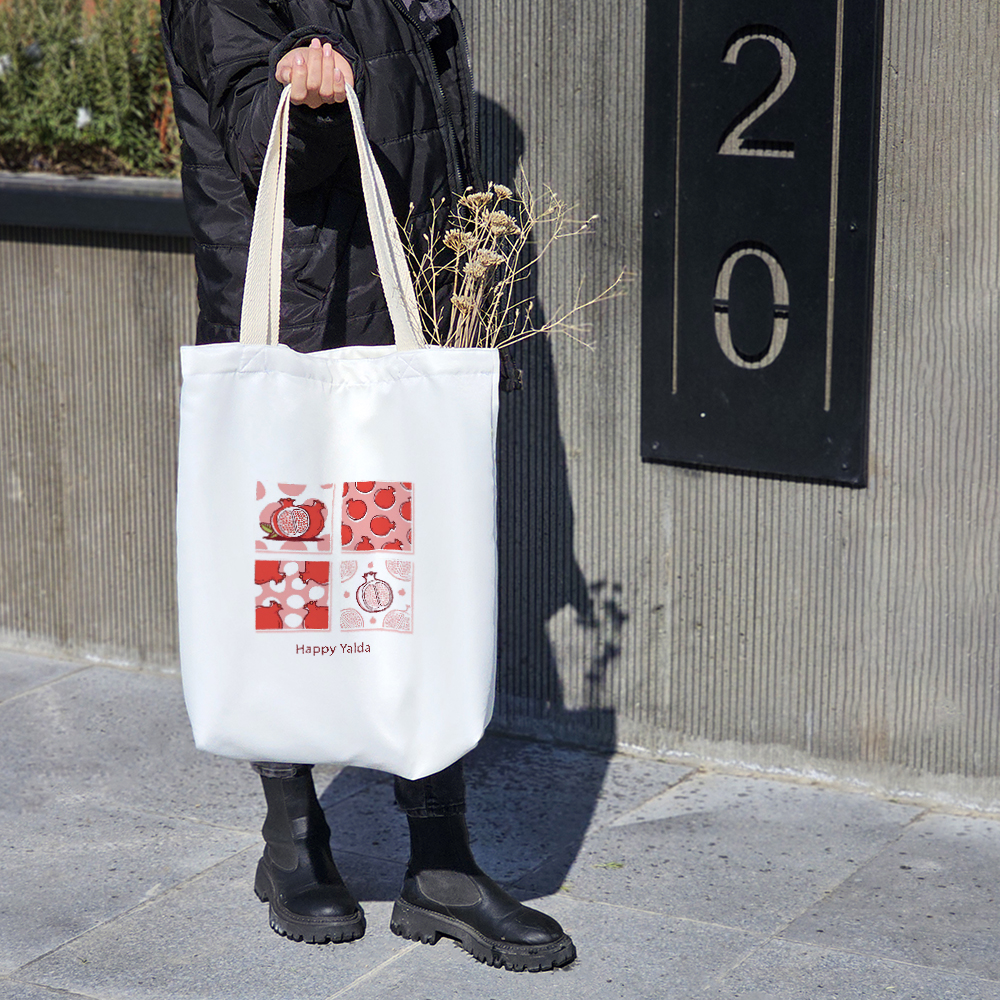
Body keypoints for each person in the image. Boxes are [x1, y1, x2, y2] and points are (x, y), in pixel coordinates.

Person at [159, 0, 575, 973]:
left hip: (399, 303)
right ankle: (293, 837)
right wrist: (301, 105)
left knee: (415, 577)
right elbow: (255, 135)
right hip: (298, 305)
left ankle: (442, 861)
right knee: (292, 580)